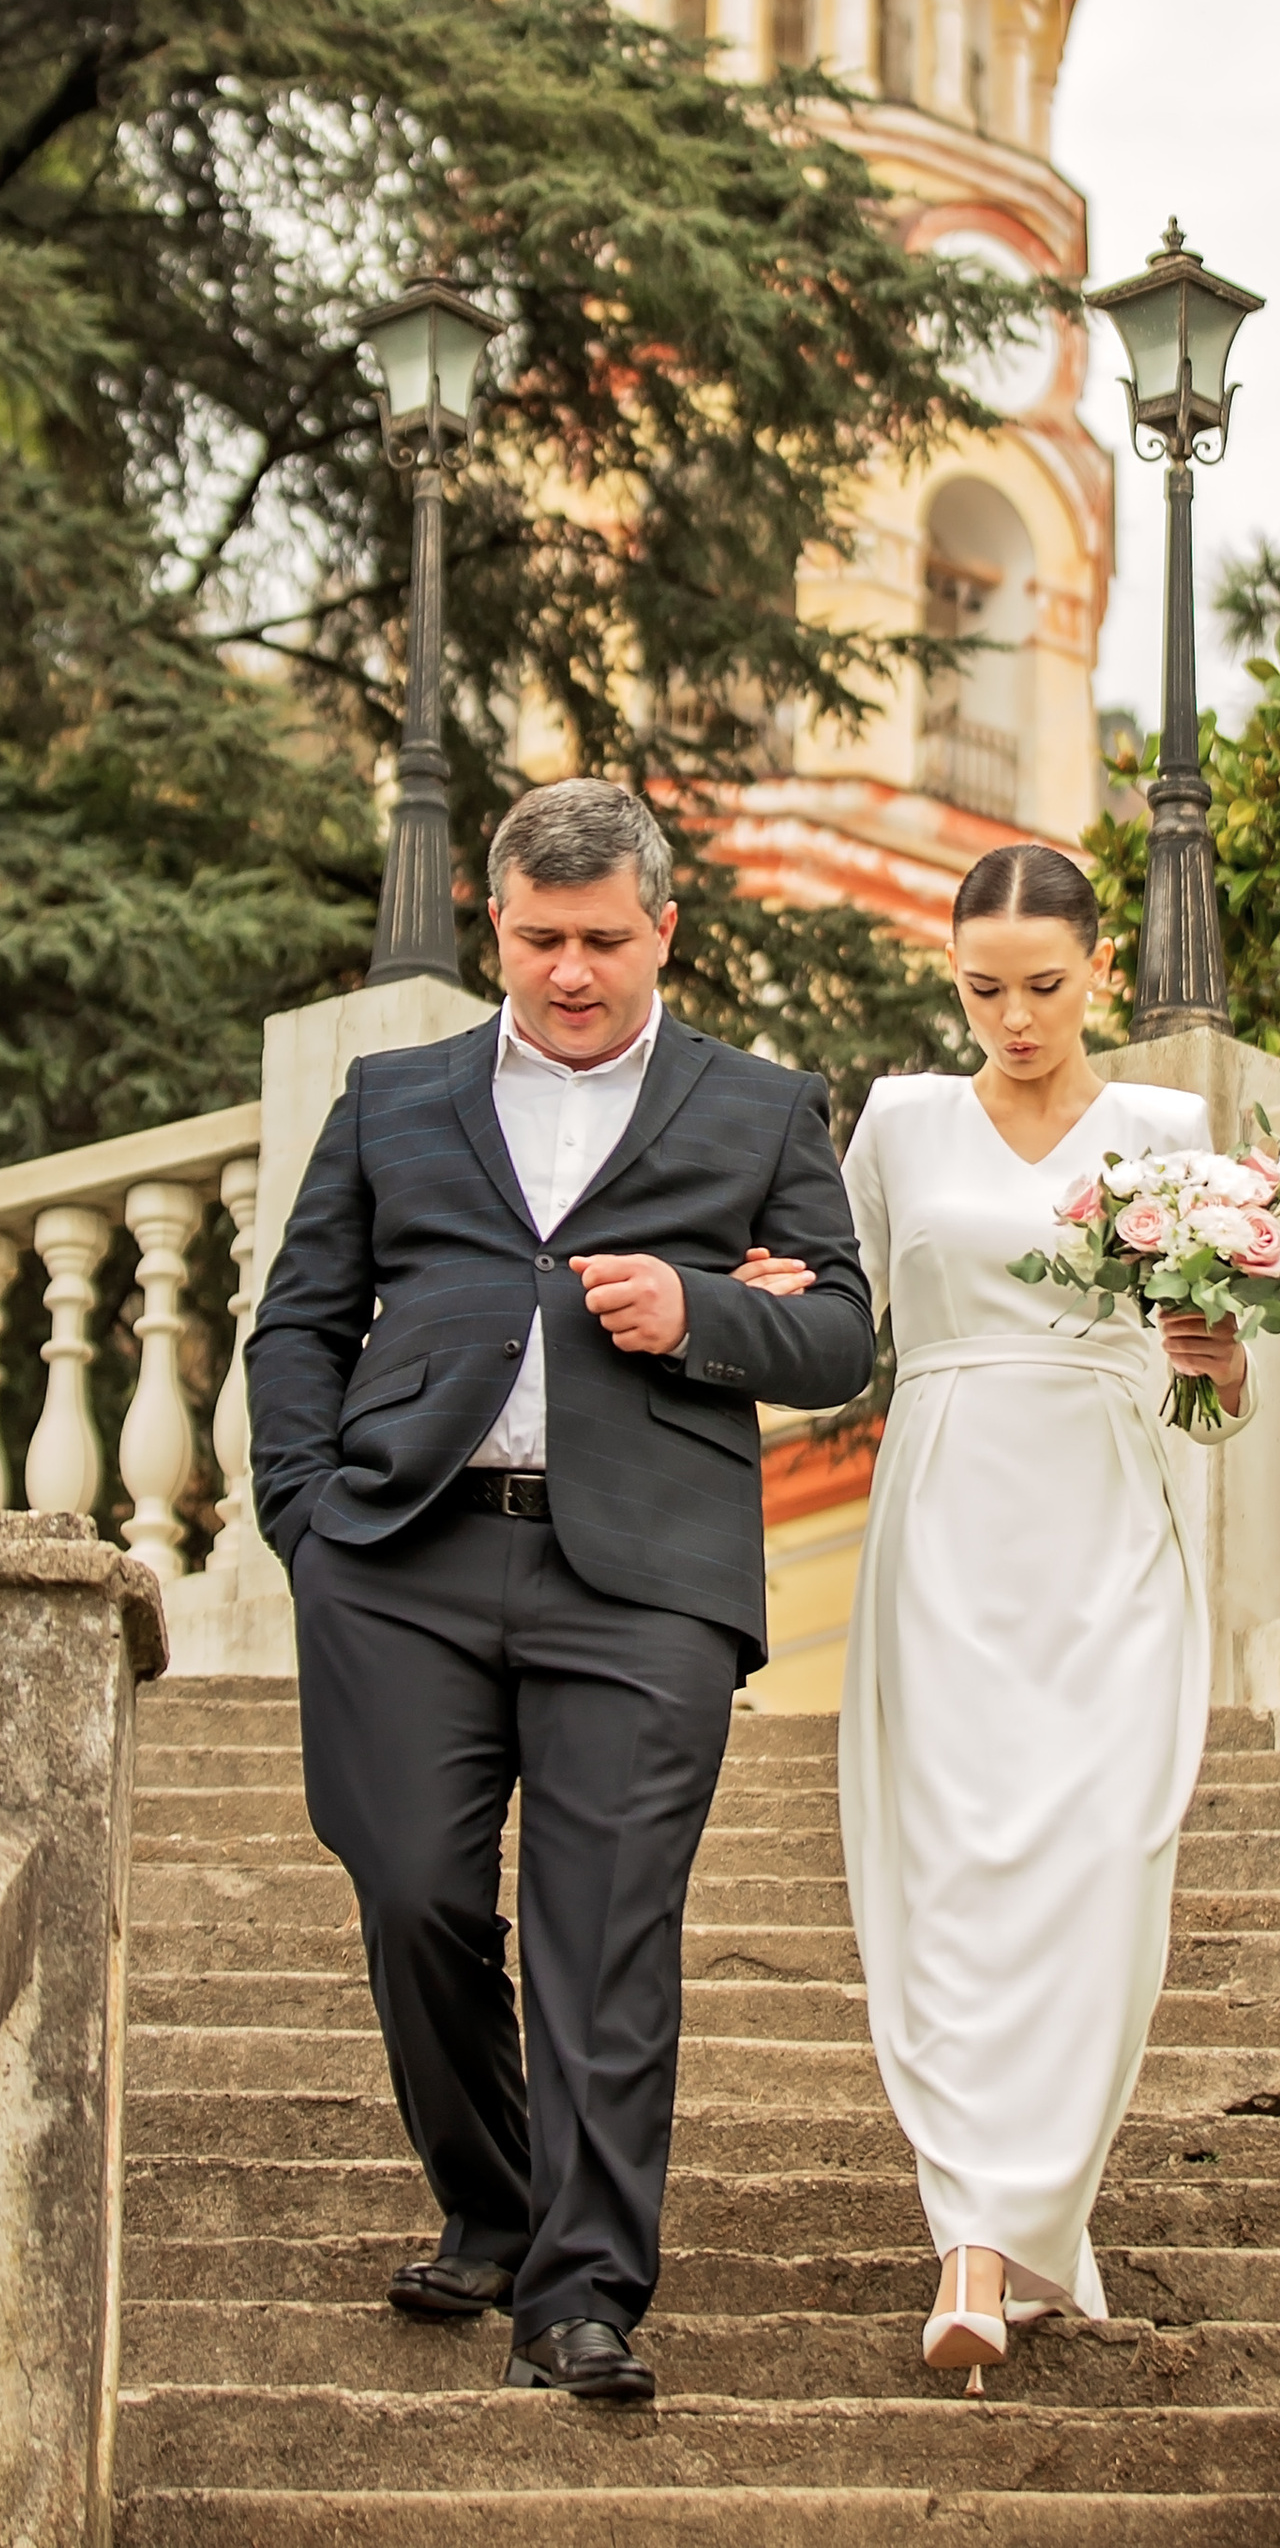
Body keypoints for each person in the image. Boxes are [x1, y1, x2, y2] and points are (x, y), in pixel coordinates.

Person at [244, 779, 875, 2405]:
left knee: (604, 1938)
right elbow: (299, 1320)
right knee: (412, 1894)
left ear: (665, 929)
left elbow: (843, 1336)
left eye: (603, 940)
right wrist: (306, 1522)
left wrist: (703, 1310)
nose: (570, 973)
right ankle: (492, 2198)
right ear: (495, 930)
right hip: (403, 1553)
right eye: (538, 940)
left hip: (647, 1577)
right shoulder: (397, 1096)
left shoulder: (758, 1107)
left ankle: (583, 2290)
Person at [821, 840, 1253, 2381]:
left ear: (1100, 977)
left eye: (1045, 987)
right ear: (953, 977)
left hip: (1107, 1519)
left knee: (1105, 1863)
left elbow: (1216, 1403)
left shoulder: (1167, 1130)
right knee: (948, 1868)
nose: (1014, 1017)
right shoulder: (902, 1121)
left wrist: (1217, 1359)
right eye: (983, 988)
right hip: (944, 1517)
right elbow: (836, 1320)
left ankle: (1033, 2215)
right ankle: (971, 2253)